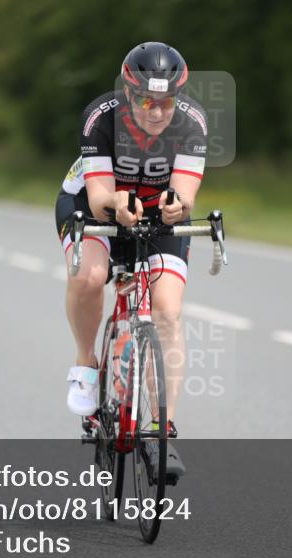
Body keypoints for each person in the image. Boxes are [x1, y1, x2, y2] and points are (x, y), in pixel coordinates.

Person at [55, 42, 208, 479]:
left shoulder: (192, 123)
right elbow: (101, 194)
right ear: (127, 92)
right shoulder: (101, 117)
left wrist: (178, 206)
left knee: (168, 312)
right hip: (91, 205)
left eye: (166, 102)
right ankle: (86, 362)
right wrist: (115, 207)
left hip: (154, 212)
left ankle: (162, 431)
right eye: (145, 100)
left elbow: (185, 191)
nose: (156, 111)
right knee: (90, 275)